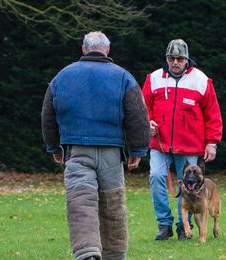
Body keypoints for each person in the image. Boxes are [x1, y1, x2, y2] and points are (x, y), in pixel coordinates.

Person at [41, 31, 150, 260]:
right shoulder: (123, 77)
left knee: (81, 201)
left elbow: (48, 115)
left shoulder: (63, 76)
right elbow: (137, 115)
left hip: (77, 150)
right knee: (113, 204)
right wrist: (137, 150)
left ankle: (88, 252)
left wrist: (54, 147)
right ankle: (115, 254)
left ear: (83, 49)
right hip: (112, 153)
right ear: (107, 50)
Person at [142, 39, 223, 241]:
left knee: (189, 185)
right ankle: (164, 224)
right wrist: (147, 122)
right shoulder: (153, 78)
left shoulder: (201, 80)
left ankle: (182, 227)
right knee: (156, 177)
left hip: (189, 145)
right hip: (159, 143)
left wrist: (211, 142)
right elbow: (143, 106)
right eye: (171, 58)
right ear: (166, 59)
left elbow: (212, 113)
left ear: (186, 59)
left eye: (179, 58)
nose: (175, 62)